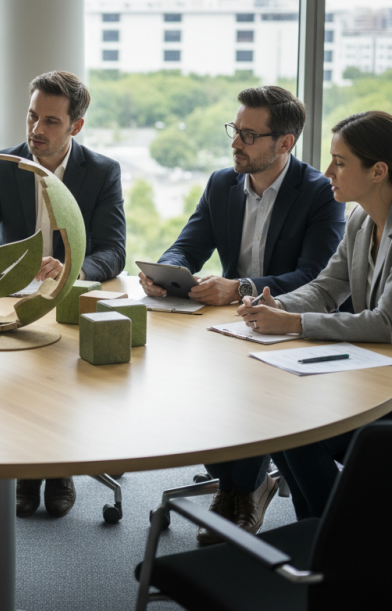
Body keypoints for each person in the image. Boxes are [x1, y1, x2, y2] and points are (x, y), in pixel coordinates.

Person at [138, 85, 345, 544]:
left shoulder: (319, 194)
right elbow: (189, 244)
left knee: (255, 394)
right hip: (231, 324)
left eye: (249, 135)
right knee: (188, 387)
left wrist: (243, 287)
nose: (235, 143)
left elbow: (316, 276)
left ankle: (243, 488)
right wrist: (166, 273)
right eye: (235, 130)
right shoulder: (221, 184)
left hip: (291, 325)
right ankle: (242, 485)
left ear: (284, 143)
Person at [0, 69, 127, 518]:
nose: (36, 129)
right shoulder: (1, 164)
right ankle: (25, 466)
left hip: (69, 296)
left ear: (75, 126)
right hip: (12, 297)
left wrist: (71, 270)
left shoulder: (102, 172)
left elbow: (114, 250)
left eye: (51, 121)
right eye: (32, 117)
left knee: (65, 373)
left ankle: (58, 468)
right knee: (14, 375)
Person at [238, 110, 392, 520]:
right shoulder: (360, 220)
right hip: (376, 377)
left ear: (378, 171)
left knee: (301, 432)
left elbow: (386, 322)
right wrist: (281, 305)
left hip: (387, 392)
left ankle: (335, 538)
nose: (327, 171)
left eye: (339, 162)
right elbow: (327, 288)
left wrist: (295, 324)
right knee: (285, 422)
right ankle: (316, 534)